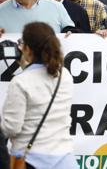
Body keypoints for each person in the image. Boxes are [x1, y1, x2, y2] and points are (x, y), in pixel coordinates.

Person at [1, 22, 75, 169]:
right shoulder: (65, 75)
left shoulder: (21, 82)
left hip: (31, 159)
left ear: (27, 49)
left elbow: (11, 128)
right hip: (64, 158)